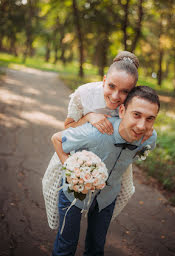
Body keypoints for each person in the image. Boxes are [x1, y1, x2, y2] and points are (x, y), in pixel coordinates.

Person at [42, 51, 154, 230]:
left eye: (125, 91)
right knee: (70, 214)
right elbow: (67, 129)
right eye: (111, 86)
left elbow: (142, 117)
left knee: (109, 200)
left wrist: (146, 128)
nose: (116, 96)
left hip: (113, 158)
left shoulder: (132, 103)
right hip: (80, 155)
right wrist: (89, 117)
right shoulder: (85, 94)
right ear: (104, 80)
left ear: (132, 91)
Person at [51, 85, 160, 256]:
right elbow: (57, 139)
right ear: (122, 111)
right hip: (74, 193)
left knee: (96, 247)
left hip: (107, 197)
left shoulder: (149, 138)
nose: (141, 126)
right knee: (66, 246)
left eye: (150, 119)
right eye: (136, 115)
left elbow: (143, 149)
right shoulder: (96, 132)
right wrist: (71, 168)